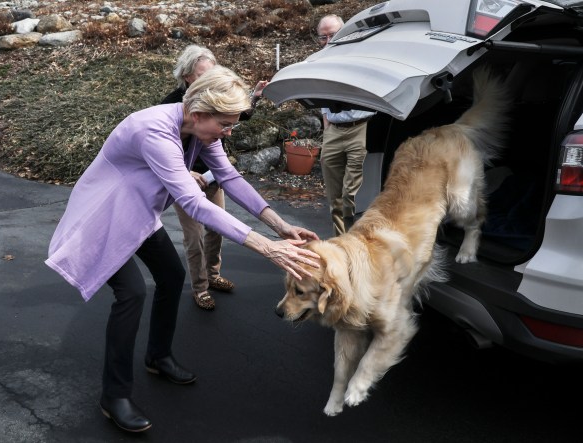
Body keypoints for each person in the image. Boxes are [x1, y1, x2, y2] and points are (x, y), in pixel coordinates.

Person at [45, 65, 320, 433]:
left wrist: (281, 226)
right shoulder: (153, 130)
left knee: (173, 276)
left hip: (139, 212)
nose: (228, 132)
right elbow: (193, 203)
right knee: (131, 293)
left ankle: (157, 357)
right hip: (105, 216)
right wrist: (267, 248)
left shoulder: (202, 133)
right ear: (198, 113)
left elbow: (228, 177)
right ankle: (114, 395)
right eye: (224, 124)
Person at [161, 44, 268, 310]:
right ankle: (200, 287)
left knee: (217, 230)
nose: (210, 81)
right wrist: (185, 173)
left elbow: (238, 115)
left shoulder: (216, 102)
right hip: (184, 182)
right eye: (202, 75)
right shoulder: (169, 106)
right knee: (194, 236)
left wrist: (253, 97)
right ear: (187, 76)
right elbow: (161, 156)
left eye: (213, 74)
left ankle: (213, 274)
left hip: (212, 177)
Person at [316, 14, 376, 236]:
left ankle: (358, 238)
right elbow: (320, 100)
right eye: (324, 37)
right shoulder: (319, 61)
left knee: (352, 194)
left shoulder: (362, 56)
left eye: (334, 35)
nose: (329, 41)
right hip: (333, 129)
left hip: (361, 126)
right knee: (335, 198)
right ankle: (342, 243)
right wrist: (326, 130)